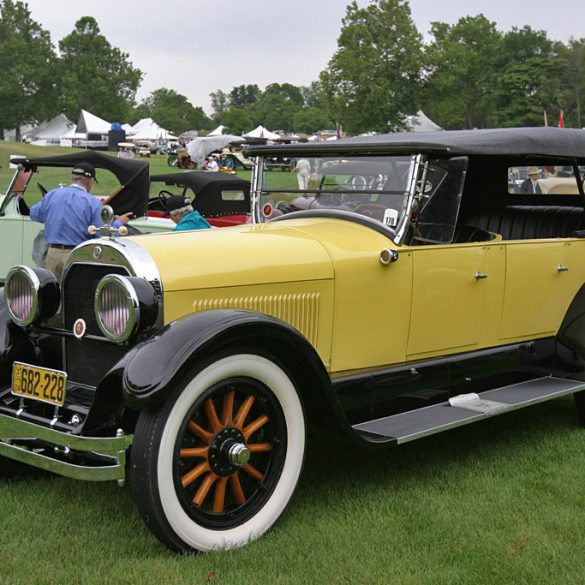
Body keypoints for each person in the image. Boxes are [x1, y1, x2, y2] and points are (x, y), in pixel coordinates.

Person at [30, 162, 132, 280]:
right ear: (90, 182)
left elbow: (34, 214)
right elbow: (103, 233)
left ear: (72, 179)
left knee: (53, 294)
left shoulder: (52, 195)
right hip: (77, 256)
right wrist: (119, 223)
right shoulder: (92, 203)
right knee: (75, 295)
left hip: (53, 255)